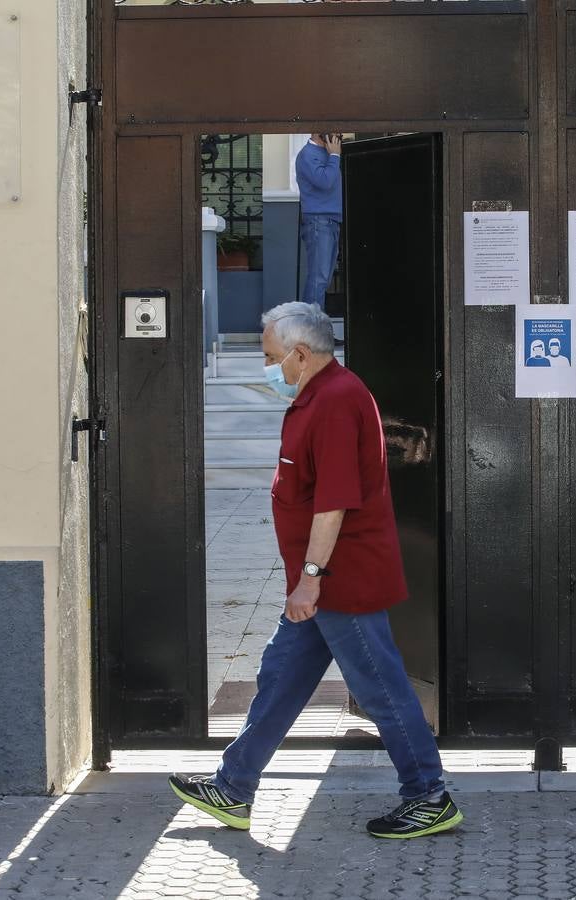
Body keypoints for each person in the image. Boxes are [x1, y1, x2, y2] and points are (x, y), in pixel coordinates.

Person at [169, 302, 463, 840]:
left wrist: (310, 577)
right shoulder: (319, 396)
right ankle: (233, 787)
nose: (269, 367)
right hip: (322, 581)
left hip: (338, 581)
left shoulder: (335, 402)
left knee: (380, 688)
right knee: (281, 676)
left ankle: (429, 796)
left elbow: (333, 504)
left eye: (271, 357)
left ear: (300, 355)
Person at [295, 134, 343, 309]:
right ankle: (312, 333)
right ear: (317, 131)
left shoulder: (329, 153)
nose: (338, 134)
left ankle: (317, 330)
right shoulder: (307, 155)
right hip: (318, 221)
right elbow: (325, 181)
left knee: (323, 279)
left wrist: (334, 156)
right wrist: (335, 156)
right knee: (318, 279)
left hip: (331, 220)